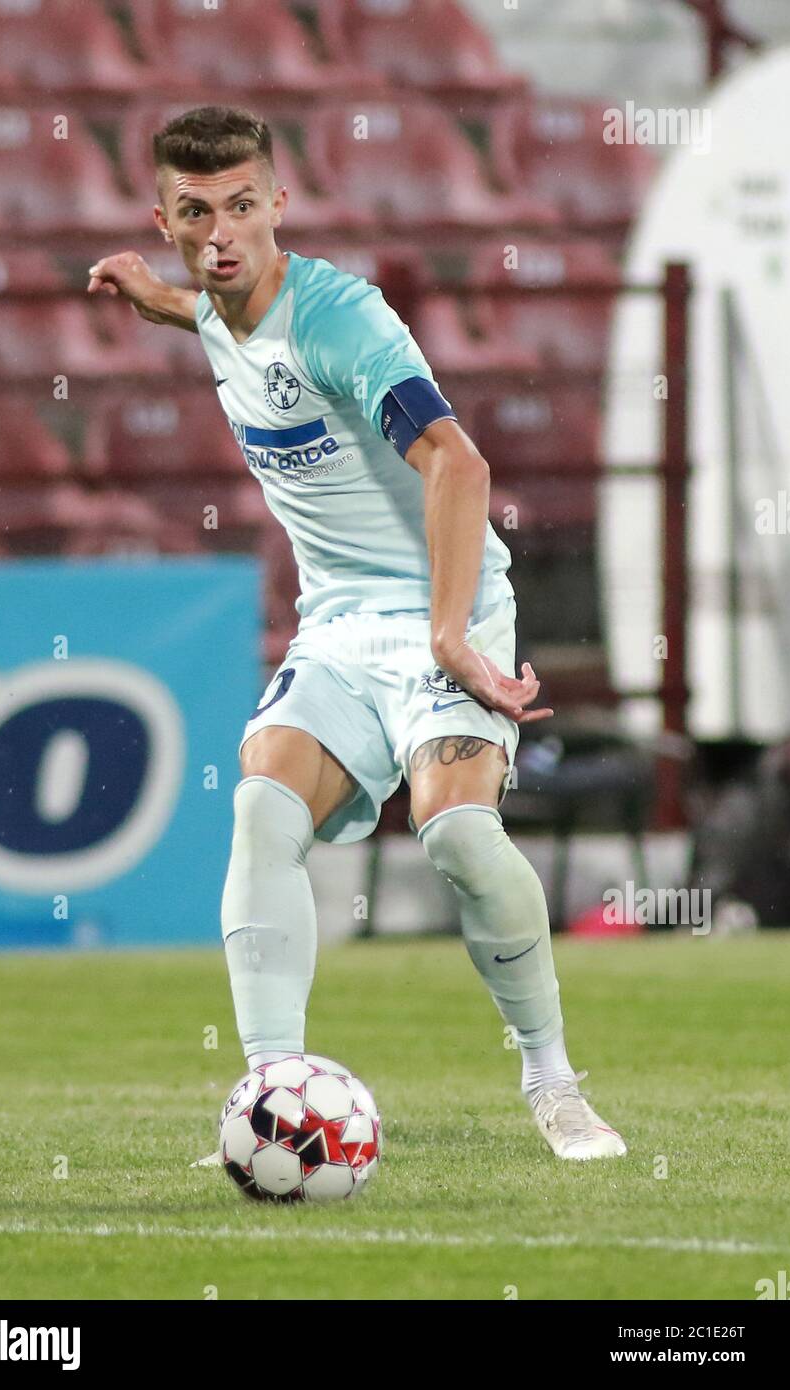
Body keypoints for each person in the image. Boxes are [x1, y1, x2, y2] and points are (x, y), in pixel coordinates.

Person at [87, 105, 626, 1160]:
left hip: (449, 613)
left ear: (279, 203)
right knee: (257, 809)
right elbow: (201, 306)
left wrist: (446, 633)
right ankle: (269, 1096)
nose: (222, 233)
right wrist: (151, 297)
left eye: (243, 205)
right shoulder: (211, 301)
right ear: (164, 219)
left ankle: (552, 1080)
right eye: (195, 213)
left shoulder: (339, 319)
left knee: (463, 839)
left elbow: (458, 464)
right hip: (336, 628)